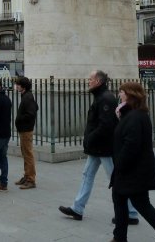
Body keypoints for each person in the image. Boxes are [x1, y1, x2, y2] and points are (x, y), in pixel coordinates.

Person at [59, 70, 138, 224]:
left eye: (90, 79)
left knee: (116, 179)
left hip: (104, 147)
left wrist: (90, 138)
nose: (88, 81)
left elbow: (106, 125)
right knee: (87, 175)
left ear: (99, 81)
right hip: (97, 147)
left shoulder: (106, 99)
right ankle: (77, 208)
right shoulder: (101, 97)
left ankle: (131, 213)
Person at [110, 82, 155, 242]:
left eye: (122, 92)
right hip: (130, 171)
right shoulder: (132, 114)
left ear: (130, 94)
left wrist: (119, 164)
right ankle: (119, 237)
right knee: (119, 200)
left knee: (143, 206)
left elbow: (131, 146)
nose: (119, 95)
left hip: (133, 172)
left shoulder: (135, 117)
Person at [14, 76, 39, 189]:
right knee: (25, 154)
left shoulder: (28, 97)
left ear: (23, 86)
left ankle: (31, 179)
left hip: (26, 129)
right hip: (24, 129)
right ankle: (26, 175)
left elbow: (31, 113)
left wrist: (19, 119)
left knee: (28, 154)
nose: (16, 86)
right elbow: (36, 107)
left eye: (18, 84)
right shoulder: (26, 95)